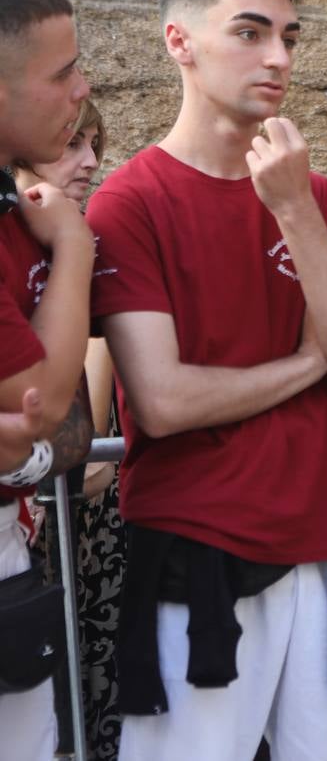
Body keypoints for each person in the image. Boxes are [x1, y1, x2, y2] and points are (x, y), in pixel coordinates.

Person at [85, 0, 327, 760]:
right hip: (200, 540)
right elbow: (165, 401)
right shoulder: (129, 201)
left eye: (290, 36)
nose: (279, 58)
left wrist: (292, 208)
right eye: (251, 33)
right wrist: (304, 367)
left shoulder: (312, 193)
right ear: (179, 42)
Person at [0, 0, 96, 760]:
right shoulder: (49, 225)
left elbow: (62, 432)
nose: (82, 91)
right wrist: (74, 246)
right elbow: (41, 390)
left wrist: (27, 460)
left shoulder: (13, 209)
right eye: (62, 74)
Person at [14, 96, 125, 757]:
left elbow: (85, 453)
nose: (88, 163)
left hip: (78, 531)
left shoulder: (77, 245)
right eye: (71, 145)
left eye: (93, 146)